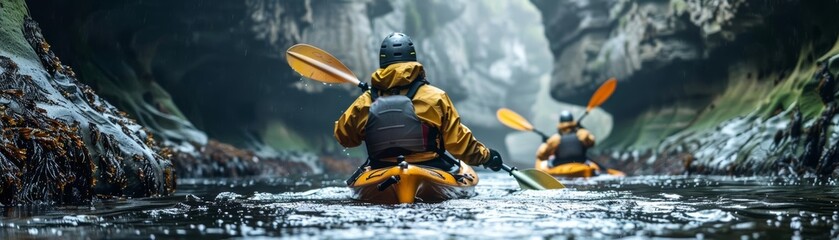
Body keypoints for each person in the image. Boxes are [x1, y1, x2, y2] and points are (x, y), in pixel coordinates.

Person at [334, 32, 503, 175]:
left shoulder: (365, 102)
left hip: (381, 169)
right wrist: (487, 157)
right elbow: (458, 143)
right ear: (413, 58)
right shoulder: (436, 97)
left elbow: (345, 138)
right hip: (431, 167)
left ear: (382, 63)